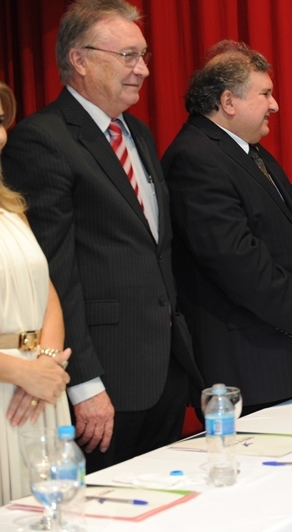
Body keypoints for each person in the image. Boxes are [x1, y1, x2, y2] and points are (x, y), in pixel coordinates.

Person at [2, 0, 202, 473]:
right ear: (80, 59)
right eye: (128, 55)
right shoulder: (43, 140)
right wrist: (85, 383)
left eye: (144, 55)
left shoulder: (139, 134)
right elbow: (56, 273)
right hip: (104, 381)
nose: (143, 69)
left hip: (165, 368)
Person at [162, 40, 292, 418]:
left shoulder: (250, 151)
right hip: (242, 364)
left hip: (275, 350)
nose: (274, 105)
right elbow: (238, 262)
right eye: (265, 93)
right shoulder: (195, 157)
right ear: (228, 102)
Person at [0, 81, 72, 504]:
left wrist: (45, 363)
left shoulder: (12, 207)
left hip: (40, 391)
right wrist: (20, 373)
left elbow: (49, 298)